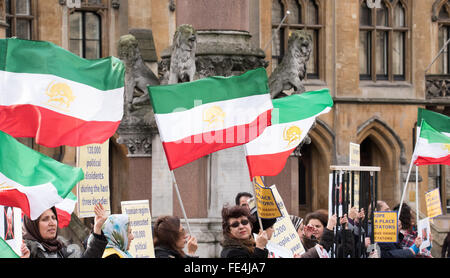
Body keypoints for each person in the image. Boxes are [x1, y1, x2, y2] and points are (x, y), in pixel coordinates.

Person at [21, 203, 108, 258]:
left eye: (54, 218)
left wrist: (97, 228)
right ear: (32, 225)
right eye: (45, 219)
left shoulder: (60, 248)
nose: (52, 223)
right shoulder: (24, 250)